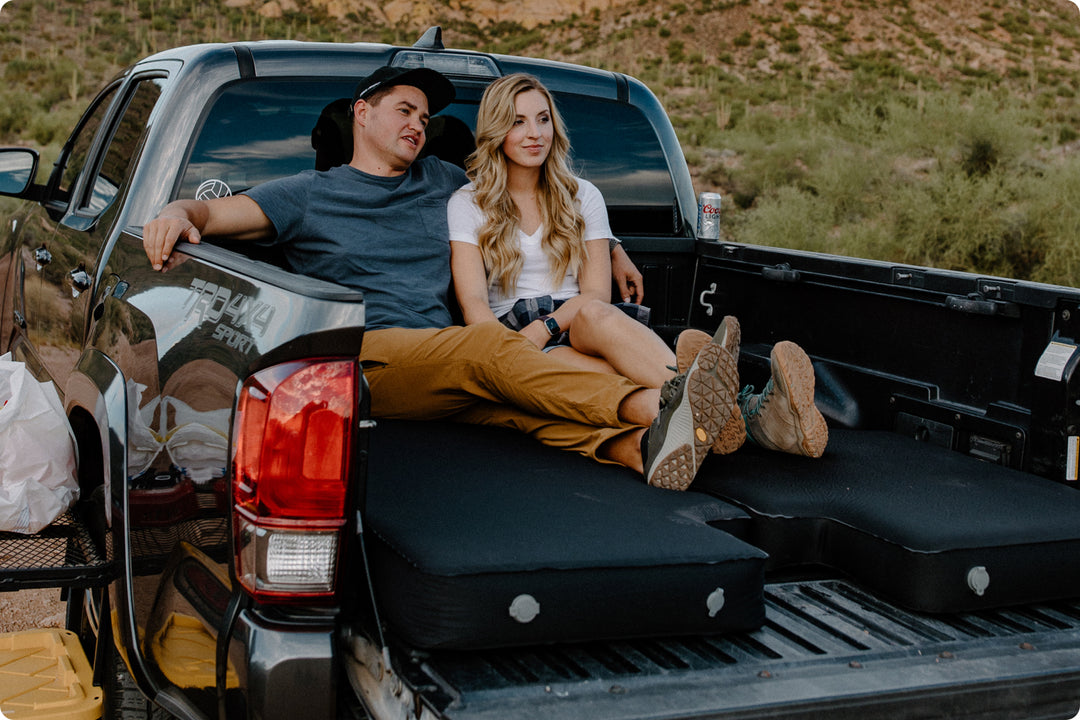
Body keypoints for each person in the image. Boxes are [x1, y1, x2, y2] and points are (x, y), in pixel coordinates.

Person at [141, 65, 740, 491]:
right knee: (487, 348)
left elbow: (529, 196)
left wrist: (610, 248)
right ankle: (655, 404)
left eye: (425, 117)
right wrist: (175, 213)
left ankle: (642, 451)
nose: (418, 124)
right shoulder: (307, 194)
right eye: (404, 110)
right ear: (362, 113)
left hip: (449, 357)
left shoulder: (444, 180)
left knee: (525, 409)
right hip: (367, 359)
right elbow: (212, 214)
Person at [448, 73, 828, 459]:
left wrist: (547, 326)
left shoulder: (583, 196)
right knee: (607, 376)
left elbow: (595, 293)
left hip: (575, 316)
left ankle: (719, 404)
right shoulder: (468, 203)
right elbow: (474, 305)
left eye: (543, 119)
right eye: (518, 121)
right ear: (496, 129)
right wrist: (510, 351)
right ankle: (752, 415)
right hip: (511, 335)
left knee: (598, 312)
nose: (535, 133)